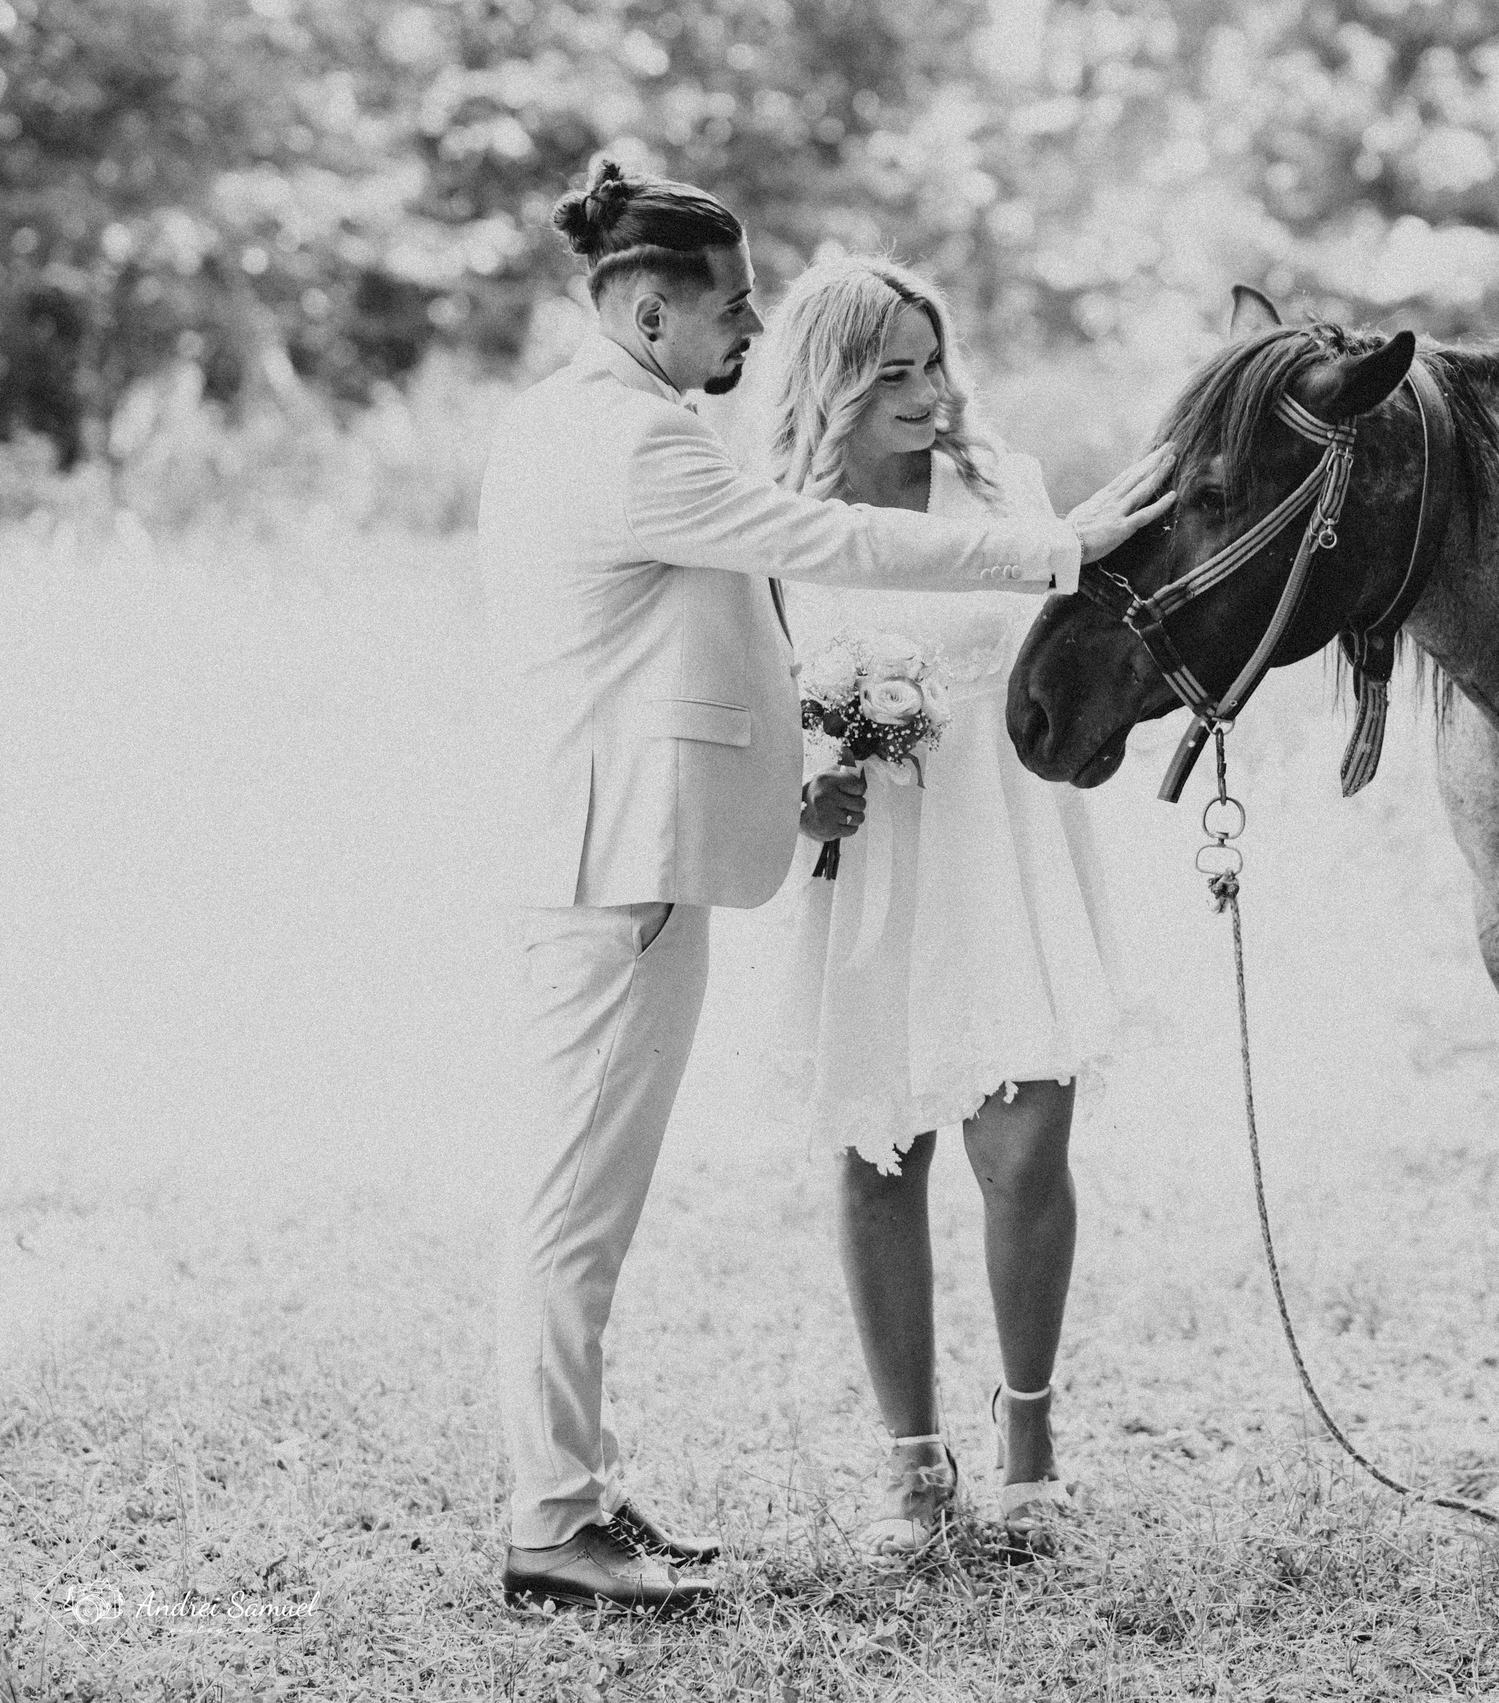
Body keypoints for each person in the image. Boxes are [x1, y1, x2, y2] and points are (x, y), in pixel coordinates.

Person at [478, 160, 1172, 1614]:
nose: (748, 325)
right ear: (650, 307)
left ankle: (582, 1496)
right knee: (573, 1212)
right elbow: (828, 543)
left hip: (656, 850)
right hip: (618, 866)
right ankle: (554, 1517)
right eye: (731, 303)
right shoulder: (642, 447)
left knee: (584, 1207)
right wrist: (1062, 548)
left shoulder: (577, 422)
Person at [746, 258, 1125, 1558]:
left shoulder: (997, 486)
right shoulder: (775, 525)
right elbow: (746, 701)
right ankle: (911, 1464)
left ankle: (1031, 1446)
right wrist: (801, 790)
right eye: (891, 369)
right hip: (872, 869)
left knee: (1025, 1153)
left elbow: (1074, 638)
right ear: (831, 381)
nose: (925, 391)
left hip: (1004, 842)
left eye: (931, 362)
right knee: (878, 1151)